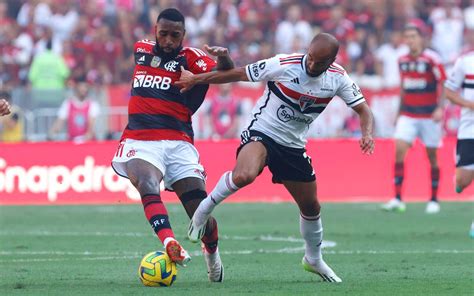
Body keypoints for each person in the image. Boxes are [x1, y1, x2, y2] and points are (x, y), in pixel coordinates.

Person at [177, 33, 375, 283]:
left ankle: (313, 259)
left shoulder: (338, 78)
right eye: (310, 57)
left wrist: (367, 133)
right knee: (244, 175)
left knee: (311, 207)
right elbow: (237, 74)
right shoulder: (284, 64)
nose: (312, 64)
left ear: (332, 61)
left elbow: (363, 109)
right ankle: (203, 211)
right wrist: (196, 79)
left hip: (293, 145)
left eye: (320, 62)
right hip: (263, 131)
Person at [111, 8, 233, 282]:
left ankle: (211, 251)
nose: (167, 40)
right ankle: (169, 243)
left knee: (199, 211)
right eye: (163, 33)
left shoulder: (192, 58)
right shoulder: (141, 48)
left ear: (183, 36)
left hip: (178, 142)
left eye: (174, 36)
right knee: (145, 182)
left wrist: (221, 58)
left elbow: (227, 74)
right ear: (155, 30)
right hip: (140, 139)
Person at [382, 23, 447, 214]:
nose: (410, 40)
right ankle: (398, 198)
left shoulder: (432, 60)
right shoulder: (402, 60)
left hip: (429, 116)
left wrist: (440, 108)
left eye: (413, 36)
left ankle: (434, 199)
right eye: (407, 37)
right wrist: (398, 112)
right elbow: (404, 86)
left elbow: (443, 83)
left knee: (432, 156)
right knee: (399, 150)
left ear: (421, 38)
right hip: (409, 114)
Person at [443, 29, 474, 237]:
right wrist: (468, 104)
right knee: (463, 181)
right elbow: (448, 91)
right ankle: (459, 181)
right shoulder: (465, 62)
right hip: (469, 128)